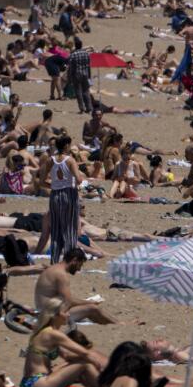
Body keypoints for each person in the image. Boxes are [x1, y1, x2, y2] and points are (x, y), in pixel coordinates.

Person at [33, 249, 116, 324]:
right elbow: (69, 301)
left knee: (89, 308)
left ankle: (113, 323)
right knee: (93, 309)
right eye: (80, 265)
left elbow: (66, 299)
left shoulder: (54, 269)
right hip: (50, 314)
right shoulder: (61, 275)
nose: (79, 269)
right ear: (74, 260)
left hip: (45, 309)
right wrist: (90, 302)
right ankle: (118, 324)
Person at [34, 135, 82, 264]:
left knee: (56, 229)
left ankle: (54, 260)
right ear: (66, 145)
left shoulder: (50, 160)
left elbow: (42, 181)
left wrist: (54, 185)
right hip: (69, 194)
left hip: (55, 195)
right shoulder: (70, 160)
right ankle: (69, 261)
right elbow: (79, 180)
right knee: (70, 229)